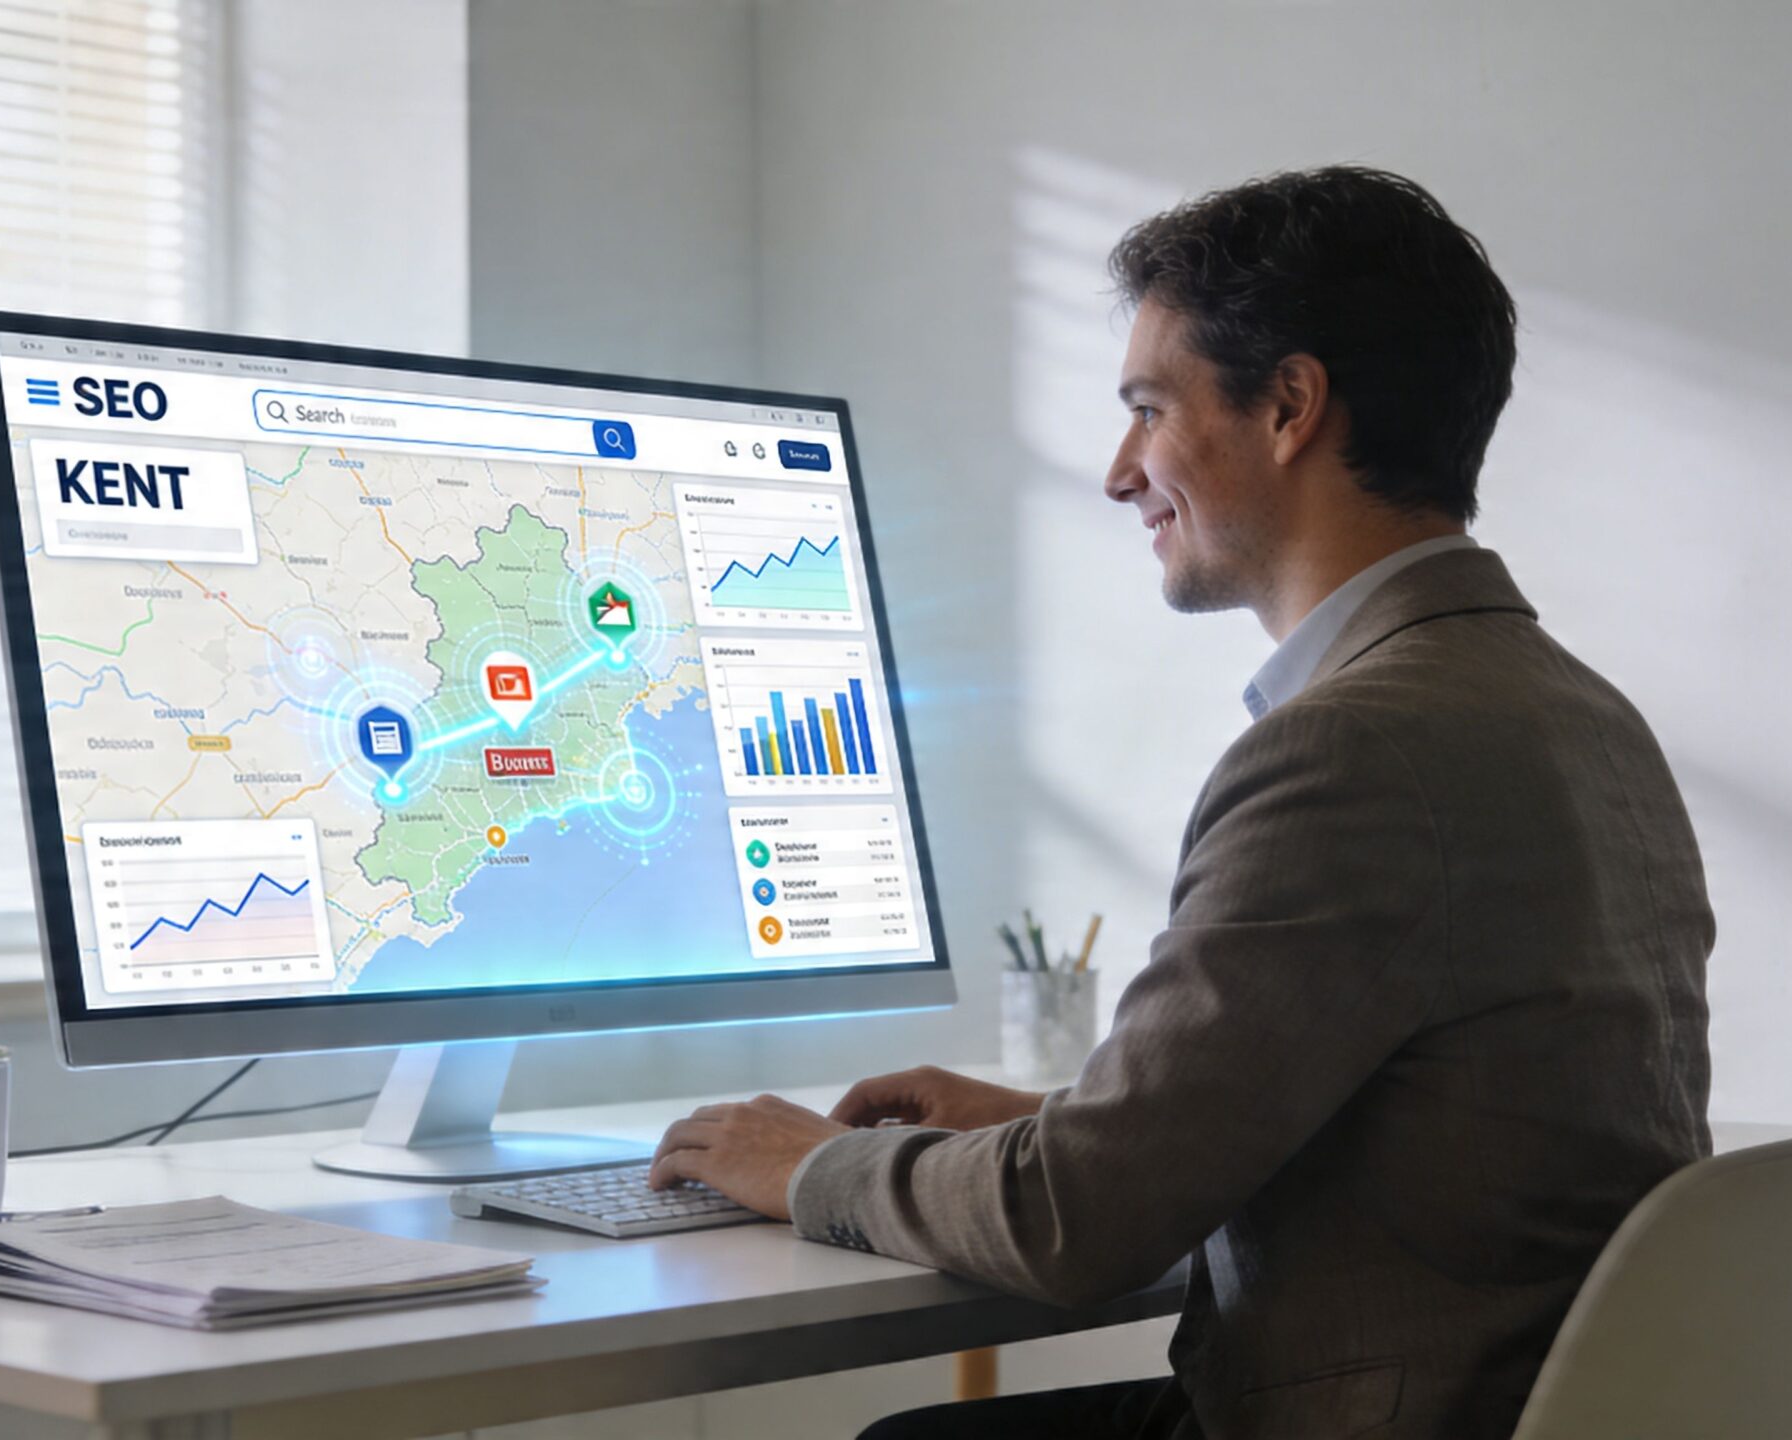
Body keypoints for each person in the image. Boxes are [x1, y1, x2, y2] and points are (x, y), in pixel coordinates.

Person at [647, 165, 1714, 1439]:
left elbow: (1071, 1228)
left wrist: (810, 1166)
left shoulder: (1350, 752)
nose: (1117, 472)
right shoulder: (1575, 712)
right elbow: (1412, 1125)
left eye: (1149, 409)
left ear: (1289, 405)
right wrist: (1062, 1121)